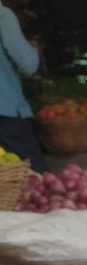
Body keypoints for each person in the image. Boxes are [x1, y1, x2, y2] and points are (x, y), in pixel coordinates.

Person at [0, 1, 45, 172]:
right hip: (6, 115)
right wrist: (34, 50)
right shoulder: (3, 16)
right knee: (34, 178)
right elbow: (27, 64)